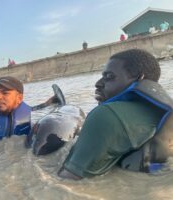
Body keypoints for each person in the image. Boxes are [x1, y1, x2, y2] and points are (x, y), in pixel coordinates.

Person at [58, 49, 173, 180]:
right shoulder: (162, 112)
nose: (98, 83)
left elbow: (67, 182)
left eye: (109, 77)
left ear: (139, 78)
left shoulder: (107, 115)